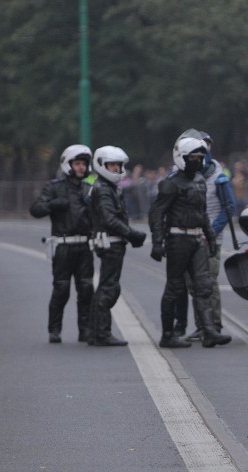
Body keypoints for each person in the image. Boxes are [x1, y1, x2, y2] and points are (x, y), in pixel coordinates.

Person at [148, 136, 231, 349]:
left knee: (203, 286)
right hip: (177, 240)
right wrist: (157, 242)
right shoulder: (171, 183)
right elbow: (156, 213)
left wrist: (210, 236)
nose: (198, 160)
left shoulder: (199, 181)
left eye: (201, 156)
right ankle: (168, 334)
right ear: (183, 157)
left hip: (196, 239)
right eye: (194, 156)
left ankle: (209, 331)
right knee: (175, 287)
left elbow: (202, 212)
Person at [29, 145, 95, 344]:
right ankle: (54, 329)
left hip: (84, 245)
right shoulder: (55, 186)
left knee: (86, 290)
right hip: (63, 245)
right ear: (68, 165)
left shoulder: (90, 186)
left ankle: (85, 330)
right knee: (61, 289)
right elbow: (35, 209)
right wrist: (52, 205)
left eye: (84, 163)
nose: (81, 167)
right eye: (77, 163)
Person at [178, 131, 237, 342]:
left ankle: (214, 325)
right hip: (189, 238)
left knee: (208, 283)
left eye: (206, 146)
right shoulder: (183, 173)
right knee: (192, 284)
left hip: (210, 239)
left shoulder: (218, 175)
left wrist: (211, 231)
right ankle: (201, 325)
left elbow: (229, 206)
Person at [88, 146, 147, 346]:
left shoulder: (108, 188)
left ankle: (95, 331)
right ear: (101, 165)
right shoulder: (103, 189)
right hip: (110, 243)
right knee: (109, 288)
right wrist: (132, 234)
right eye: (111, 165)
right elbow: (109, 219)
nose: (115, 169)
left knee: (108, 286)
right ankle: (101, 333)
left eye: (118, 165)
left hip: (113, 242)